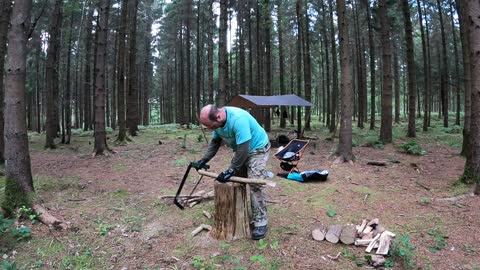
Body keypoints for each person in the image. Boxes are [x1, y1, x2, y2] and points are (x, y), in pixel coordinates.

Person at [192, 104, 270, 240]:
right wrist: (204, 160)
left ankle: (260, 221)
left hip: (258, 149)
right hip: (241, 149)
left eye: (211, 126)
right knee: (232, 181)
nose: (211, 129)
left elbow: (244, 149)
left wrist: (232, 169)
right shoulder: (218, 123)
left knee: (254, 184)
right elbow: (215, 143)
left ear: (218, 116)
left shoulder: (238, 119)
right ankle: (235, 213)